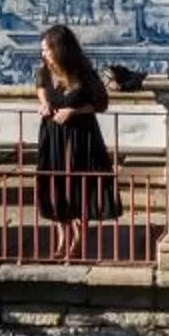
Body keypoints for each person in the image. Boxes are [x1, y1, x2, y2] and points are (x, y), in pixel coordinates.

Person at [34, 23, 121, 263]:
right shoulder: (43, 72)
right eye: (42, 50)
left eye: (47, 50)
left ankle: (79, 238)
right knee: (57, 186)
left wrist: (74, 111)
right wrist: (44, 106)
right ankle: (63, 237)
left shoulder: (83, 73)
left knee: (77, 185)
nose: (44, 54)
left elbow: (101, 104)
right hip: (53, 136)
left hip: (80, 136)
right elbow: (41, 92)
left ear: (60, 48)